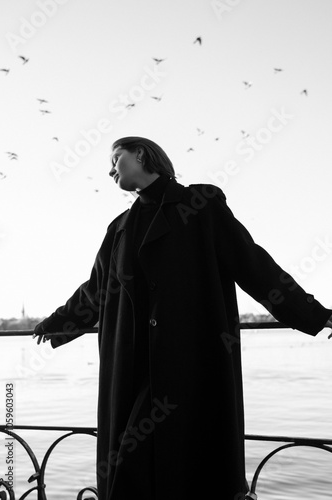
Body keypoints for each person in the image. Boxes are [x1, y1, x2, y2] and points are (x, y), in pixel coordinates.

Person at [33, 136, 332, 500]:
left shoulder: (200, 206)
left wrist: (316, 315)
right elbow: (96, 290)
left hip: (190, 362)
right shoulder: (120, 227)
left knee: (185, 464)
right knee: (132, 466)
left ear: (141, 155)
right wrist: (55, 323)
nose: (110, 170)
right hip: (131, 366)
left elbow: (253, 265)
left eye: (116, 159)